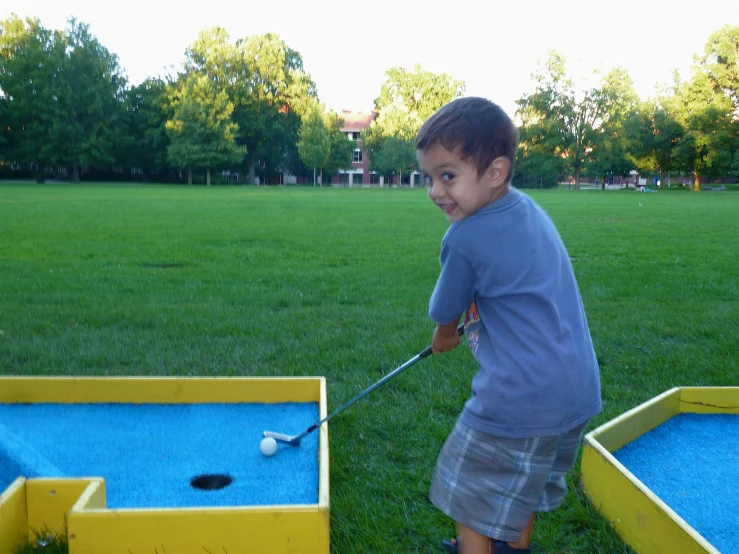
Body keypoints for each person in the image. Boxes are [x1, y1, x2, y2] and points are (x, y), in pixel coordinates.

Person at [415, 97, 601, 554]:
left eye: (449, 175)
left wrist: (444, 337)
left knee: (468, 490)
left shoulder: (465, 236)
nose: (436, 191)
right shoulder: (528, 211)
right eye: (429, 178)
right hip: (574, 391)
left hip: (521, 397)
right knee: (523, 488)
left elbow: (446, 312)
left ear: (495, 172)